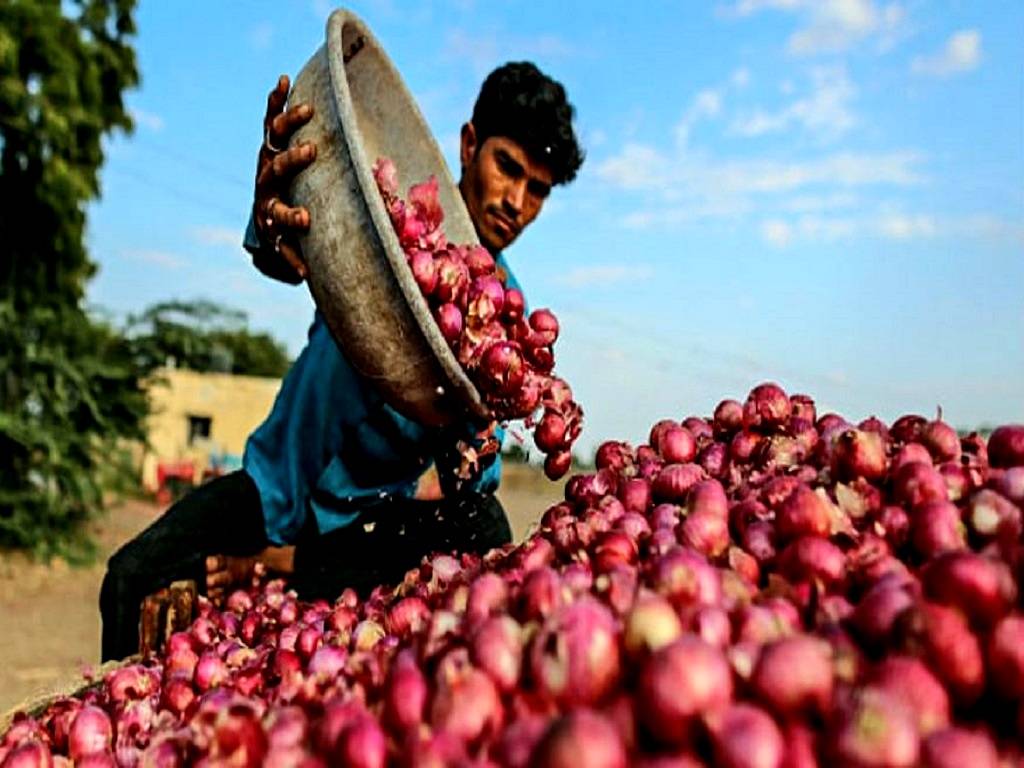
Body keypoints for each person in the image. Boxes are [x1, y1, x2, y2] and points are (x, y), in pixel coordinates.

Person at [99, 61, 584, 661]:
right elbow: (289, 254)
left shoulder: (506, 328)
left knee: (484, 528)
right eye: (507, 167)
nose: (515, 200)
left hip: (361, 531)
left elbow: (468, 491)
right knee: (129, 578)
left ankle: (288, 568)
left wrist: (468, 428)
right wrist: (274, 217)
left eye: (536, 189)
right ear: (467, 145)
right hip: (273, 489)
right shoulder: (385, 221)